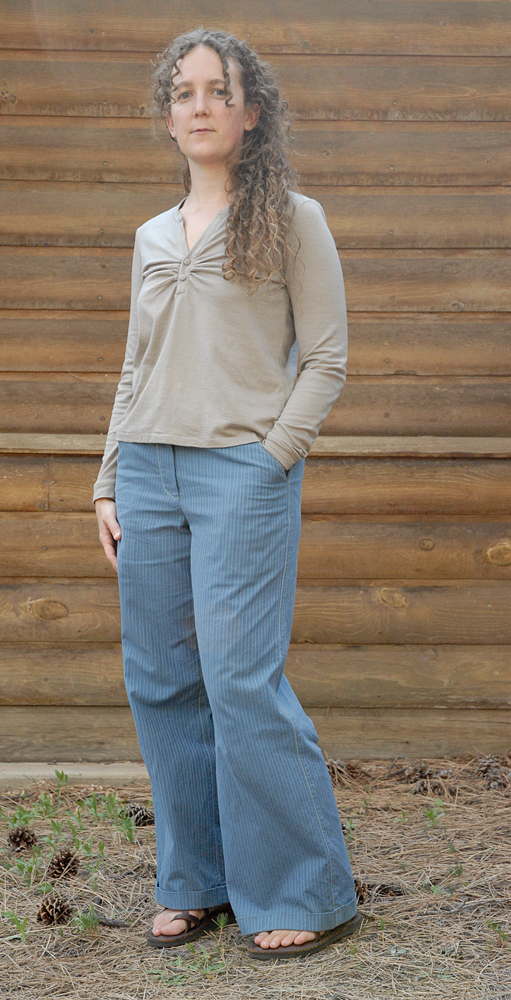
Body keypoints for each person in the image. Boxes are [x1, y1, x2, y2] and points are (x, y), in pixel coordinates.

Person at [93, 27, 362, 960]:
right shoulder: (150, 236)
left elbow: (325, 359)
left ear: (251, 113)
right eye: (183, 92)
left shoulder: (292, 219)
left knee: (240, 683)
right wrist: (107, 478)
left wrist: (271, 456)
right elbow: (136, 365)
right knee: (160, 681)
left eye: (219, 90)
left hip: (240, 475)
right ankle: (195, 882)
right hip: (147, 473)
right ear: (167, 117)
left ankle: (307, 890)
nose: (200, 105)